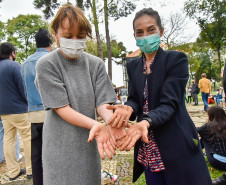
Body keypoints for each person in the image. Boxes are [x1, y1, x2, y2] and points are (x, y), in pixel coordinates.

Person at [107, 7, 212, 185]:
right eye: (140, 32)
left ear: (160, 31)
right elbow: (135, 99)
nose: (145, 35)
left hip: (175, 143)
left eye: (151, 30)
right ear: (135, 36)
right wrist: (129, 108)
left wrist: (146, 122)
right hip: (148, 147)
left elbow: (169, 103)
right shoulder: (133, 66)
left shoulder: (176, 60)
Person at [34, 4, 122, 185]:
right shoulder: (47, 64)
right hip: (58, 147)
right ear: (55, 34)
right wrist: (95, 125)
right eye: (68, 36)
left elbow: (102, 102)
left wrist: (111, 121)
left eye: (80, 37)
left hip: (89, 145)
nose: (74, 41)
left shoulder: (95, 64)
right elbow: (62, 108)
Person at [21, 28, 53, 185]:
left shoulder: (26, 62)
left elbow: (23, 89)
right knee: (54, 152)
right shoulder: (52, 58)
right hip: (52, 112)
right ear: (51, 42)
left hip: (34, 113)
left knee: (36, 154)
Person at [0, 42, 32, 180]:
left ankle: (13, 172)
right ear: (12, 53)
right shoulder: (14, 66)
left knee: (8, 139)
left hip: (3, 111)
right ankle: (31, 170)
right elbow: (22, 87)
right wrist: (28, 102)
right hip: (19, 109)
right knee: (28, 137)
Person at [197, 106, 226, 185]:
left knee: (204, 138)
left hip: (219, 162)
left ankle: (196, 154)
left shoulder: (208, 126)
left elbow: (194, 130)